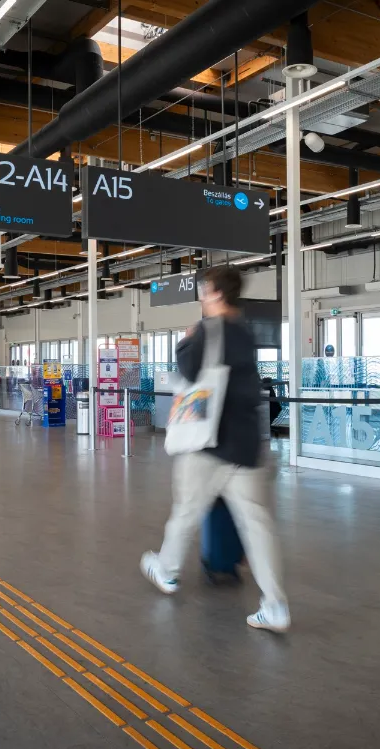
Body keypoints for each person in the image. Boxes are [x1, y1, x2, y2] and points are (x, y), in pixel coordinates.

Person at [139, 265, 290, 633]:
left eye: (205, 290)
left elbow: (189, 370)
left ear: (217, 293)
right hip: (246, 443)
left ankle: (167, 570)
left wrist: (186, 340)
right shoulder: (245, 330)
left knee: (186, 510)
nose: (202, 297)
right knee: (256, 524)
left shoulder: (209, 329)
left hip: (209, 441)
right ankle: (275, 604)